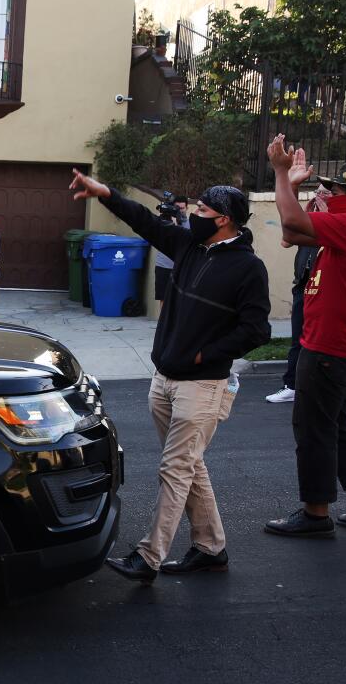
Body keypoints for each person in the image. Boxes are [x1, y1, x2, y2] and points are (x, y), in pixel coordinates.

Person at [70, 168, 271, 582]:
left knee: (176, 468)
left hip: (203, 385)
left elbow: (257, 330)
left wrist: (203, 357)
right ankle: (211, 548)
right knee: (190, 465)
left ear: (224, 220)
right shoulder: (188, 246)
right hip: (163, 380)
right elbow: (144, 221)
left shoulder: (249, 269)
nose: (193, 213)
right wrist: (105, 192)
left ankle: (149, 556)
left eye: (202, 208)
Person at [262, 142, 346, 536]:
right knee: (335, 425)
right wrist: (301, 193)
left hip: (329, 348)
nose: (328, 194)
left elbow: (292, 222)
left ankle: (315, 513)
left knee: (314, 430)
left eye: (335, 190)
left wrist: (281, 176)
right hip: (336, 346)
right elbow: (291, 234)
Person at [266, 185, 330, 404]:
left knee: (320, 341)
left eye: (325, 193)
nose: (318, 196)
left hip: (324, 289)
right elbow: (286, 241)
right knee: (298, 339)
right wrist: (304, 214)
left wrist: (325, 218)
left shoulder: (337, 223)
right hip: (303, 285)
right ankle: (291, 385)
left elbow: (331, 243)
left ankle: (316, 386)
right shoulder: (308, 219)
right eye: (317, 191)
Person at [153, 195, 189, 303]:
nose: (179, 211)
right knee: (164, 299)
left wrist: (179, 223)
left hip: (182, 267)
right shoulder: (164, 222)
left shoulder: (190, 225)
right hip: (164, 266)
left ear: (187, 208)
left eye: (182, 208)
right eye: (177, 208)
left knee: (181, 300)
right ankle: (163, 320)